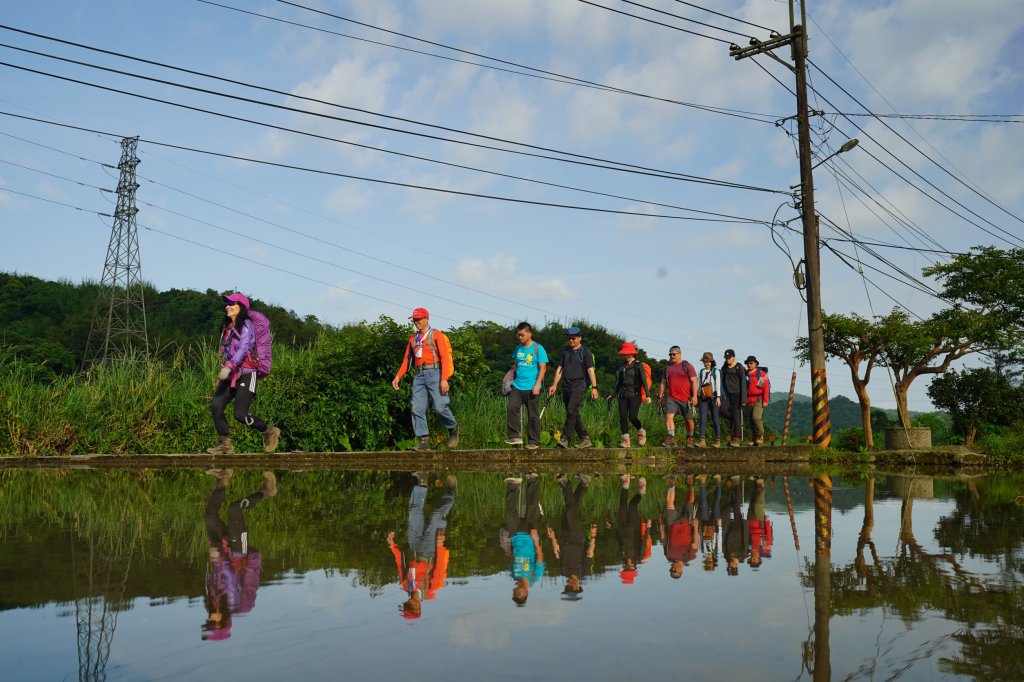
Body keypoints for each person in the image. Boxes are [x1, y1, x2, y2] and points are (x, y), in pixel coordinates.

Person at [202, 468, 277, 640]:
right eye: (213, 623)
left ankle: (223, 480)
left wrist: (213, 555)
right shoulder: (233, 602)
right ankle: (266, 492)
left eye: (209, 622)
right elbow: (230, 576)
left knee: (209, 517)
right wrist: (219, 556)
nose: (209, 619)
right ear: (223, 621)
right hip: (238, 555)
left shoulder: (211, 601)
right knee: (235, 508)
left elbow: (212, 576)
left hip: (220, 554)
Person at [208, 293, 280, 455]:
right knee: (216, 406)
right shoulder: (228, 327)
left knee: (240, 414)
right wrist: (226, 371)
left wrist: (229, 367)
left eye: (232, 303)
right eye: (226, 303)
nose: (227, 305)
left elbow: (244, 348)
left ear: (241, 307)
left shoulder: (246, 325)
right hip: (232, 372)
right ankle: (225, 444)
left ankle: (269, 432)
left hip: (247, 372)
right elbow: (228, 350)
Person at [388, 472, 457, 618]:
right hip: (430, 550)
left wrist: (393, 547)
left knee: (414, 511)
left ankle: (422, 481)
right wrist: (440, 546)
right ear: (418, 607)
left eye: (406, 605)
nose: (408, 603)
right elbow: (441, 566)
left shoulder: (406, 586)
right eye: (410, 607)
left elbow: (401, 565)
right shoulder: (432, 589)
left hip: (414, 547)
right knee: (436, 515)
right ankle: (451, 493)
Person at [392, 307, 459, 451]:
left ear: (426, 319)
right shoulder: (413, 339)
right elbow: (406, 360)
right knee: (417, 408)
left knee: (440, 407)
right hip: (419, 375)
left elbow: (446, 358)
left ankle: (453, 429)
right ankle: (423, 441)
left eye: (419, 319)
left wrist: (444, 378)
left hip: (436, 373)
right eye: (414, 320)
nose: (416, 322)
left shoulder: (437, 335)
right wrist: (398, 376)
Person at [547, 327, 599, 448]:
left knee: (571, 410)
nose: (571, 340)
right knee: (573, 412)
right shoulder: (566, 352)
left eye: (573, 338)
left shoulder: (586, 352)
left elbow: (591, 371)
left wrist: (594, 388)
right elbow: (560, 370)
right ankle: (584, 438)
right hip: (566, 385)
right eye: (569, 338)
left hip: (579, 384)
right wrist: (554, 385)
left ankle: (565, 438)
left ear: (580, 338)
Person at [547, 473, 596, 600]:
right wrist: (593, 536)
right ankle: (565, 483)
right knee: (570, 511)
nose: (571, 585)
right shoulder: (584, 571)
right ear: (578, 586)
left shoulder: (563, 571)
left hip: (564, 537)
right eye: (573, 588)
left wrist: (553, 538)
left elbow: (557, 553)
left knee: (571, 509)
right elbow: (590, 552)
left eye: (568, 587)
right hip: (577, 538)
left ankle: (583, 484)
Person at [500, 474, 545, 605]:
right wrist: (536, 541)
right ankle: (533, 480)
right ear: (526, 593)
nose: (515, 591)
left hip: (514, 536)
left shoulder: (514, 575)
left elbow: (512, 556)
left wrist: (507, 543)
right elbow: (540, 557)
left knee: (509, 512)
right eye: (518, 594)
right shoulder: (534, 577)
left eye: (514, 593)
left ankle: (514, 485)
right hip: (530, 536)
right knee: (532, 507)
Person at [506, 322, 548, 449]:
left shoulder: (538, 348)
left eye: (522, 335)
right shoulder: (518, 348)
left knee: (533, 415)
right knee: (511, 408)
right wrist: (509, 379)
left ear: (529, 334)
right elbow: (516, 365)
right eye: (518, 335)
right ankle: (515, 436)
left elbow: (543, 367)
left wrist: (538, 384)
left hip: (532, 387)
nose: (520, 337)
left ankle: (533, 441)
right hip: (517, 386)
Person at [608, 342, 650, 448]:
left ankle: (641, 431)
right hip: (623, 394)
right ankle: (626, 440)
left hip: (635, 394)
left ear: (633, 353)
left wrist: (648, 395)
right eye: (625, 354)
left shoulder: (638, 365)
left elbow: (644, 381)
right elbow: (619, 382)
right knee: (622, 417)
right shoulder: (622, 366)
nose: (626, 356)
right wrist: (613, 394)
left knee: (632, 417)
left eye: (628, 354)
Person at [660, 475, 699, 580]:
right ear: (681, 571)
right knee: (689, 502)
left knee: (669, 504)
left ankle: (672, 483)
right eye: (675, 571)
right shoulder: (689, 557)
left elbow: (664, 541)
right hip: (687, 525)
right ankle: (690, 484)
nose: (672, 569)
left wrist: (661, 527)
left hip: (671, 525)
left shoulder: (668, 556)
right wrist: (695, 527)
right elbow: (695, 543)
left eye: (671, 571)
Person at [657, 345, 697, 447]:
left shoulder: (688, 366)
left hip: (686, 399)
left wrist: (695, 396)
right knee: (669, 417)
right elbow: (663, 383)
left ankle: (690, 438)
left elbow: (694, 381)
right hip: (672, 398)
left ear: (679, 354)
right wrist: (661, 395)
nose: (672, 356)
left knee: (689, 420)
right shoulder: (667, 368)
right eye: (670, 354)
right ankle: (671, 438)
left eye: (674, 354)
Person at [719, 349, 746, 447]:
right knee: (722, 410)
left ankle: (736, 439)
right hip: (727, 396)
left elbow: (743, 383)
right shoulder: (724, 368)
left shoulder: (739, 367)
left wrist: (743, 399)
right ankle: (733, 422)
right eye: (726, 358)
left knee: (736, 416)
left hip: (737, 395)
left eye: (729, 357)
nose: (727, 359)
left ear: (733, 357)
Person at [696, 351, 722, 448]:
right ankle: (702, 440)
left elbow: (718, 385)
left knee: (715, 418)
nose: (707, 363)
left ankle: (718, 440)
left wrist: (718, 397)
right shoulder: (701, 371)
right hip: (703, 398)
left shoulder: (716, 371)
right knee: (702, 418)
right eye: (705, 361)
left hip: (714, 397)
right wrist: (697, 396)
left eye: (708, 361)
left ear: (712, 362)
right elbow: (699, 385)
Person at [743, 356, 770, 446]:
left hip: (758, 399)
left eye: (751, 363)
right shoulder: (745, 374)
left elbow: (766, 387)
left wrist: (765, 400)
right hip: (748, 400)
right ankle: (754, 439)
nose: (749, 365)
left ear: (756, 364)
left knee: (756, 418)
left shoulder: (761, 374)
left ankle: (760, 436)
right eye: (748, 363)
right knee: (750, 421)